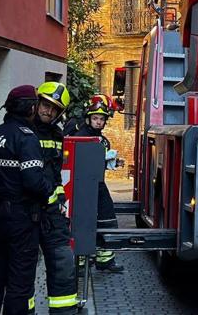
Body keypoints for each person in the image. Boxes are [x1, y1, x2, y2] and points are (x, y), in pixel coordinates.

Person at [0, 85, 54, 315]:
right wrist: (49, 188)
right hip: (21, 216)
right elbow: (33, 181)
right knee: (19, 282)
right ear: (31, 108)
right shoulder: (27, 137)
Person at [35, 82, 78, 314]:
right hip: (27, 209)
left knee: (62, 260)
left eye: (54, 108)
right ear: (37, 102)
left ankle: (64, 310)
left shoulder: (56, 135)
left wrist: (60, 200)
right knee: (24, 266)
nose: (48, 111)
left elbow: (55, 174)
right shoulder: (24, 131)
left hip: (51, 211)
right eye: (45, 104)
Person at [72, 94, 123, 272]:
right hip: (83, 187)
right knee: (83, 222)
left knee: (106, 219)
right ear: (88, 118)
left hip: (98, 184)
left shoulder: (102, 139)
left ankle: (104, 259)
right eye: (95, 118)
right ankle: (79, 262)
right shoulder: (81, 136)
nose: (98, 122)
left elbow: (102, 163)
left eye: (101, 119)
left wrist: (113, 162)